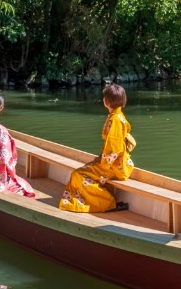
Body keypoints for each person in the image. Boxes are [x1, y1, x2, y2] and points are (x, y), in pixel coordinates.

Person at [58, 83, 137, 213]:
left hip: (115, 165)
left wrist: (102, 163)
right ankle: (99, 201)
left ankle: (108, 203)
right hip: (115, 162)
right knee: (82, 171)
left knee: (79, 174)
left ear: (107, 101)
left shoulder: (116, 119)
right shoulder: (117, 116)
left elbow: (114, 148)